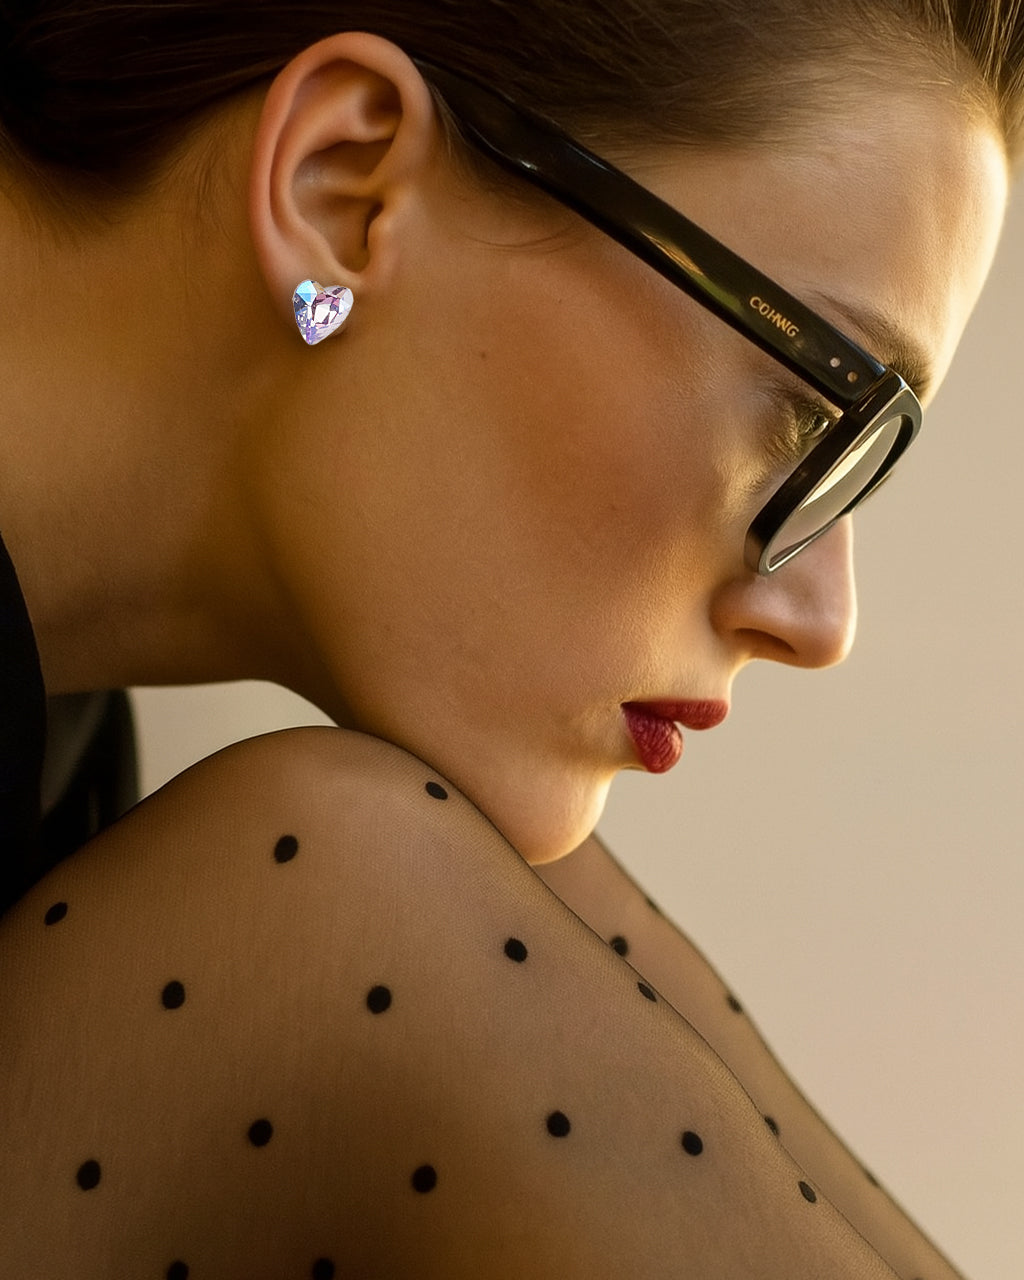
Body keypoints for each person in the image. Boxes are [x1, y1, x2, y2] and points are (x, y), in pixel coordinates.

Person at [0, 1, 1018, 1275]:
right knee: (349, 891)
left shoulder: (69, 789)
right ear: (343, 191)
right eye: (813, 415)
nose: (822, 620)